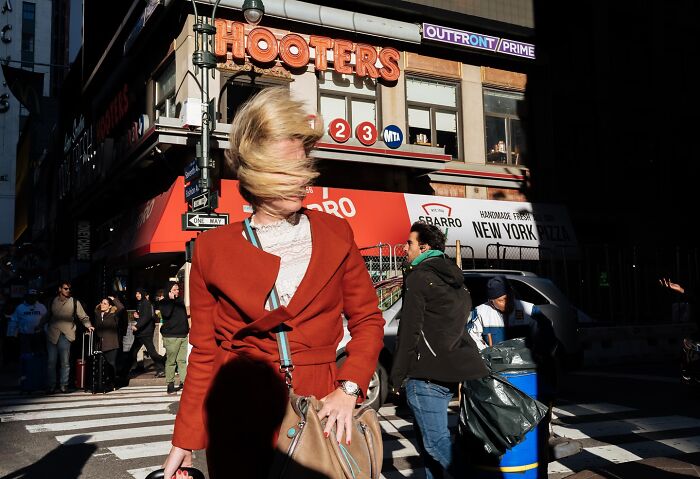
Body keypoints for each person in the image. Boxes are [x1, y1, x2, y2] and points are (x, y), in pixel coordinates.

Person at [162, 87, 385, 479]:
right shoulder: (212, 248)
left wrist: (350, 389)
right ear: (257, 177)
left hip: (321, 410)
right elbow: (204, 351)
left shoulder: (335, 232)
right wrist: (185, 438)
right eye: (289, 173)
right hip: (238, 415)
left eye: (305, 168)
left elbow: (367, 320)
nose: (304, 182)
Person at [390, 222, 489, 479]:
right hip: (447, 373)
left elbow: (409, 330)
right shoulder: (455, 279)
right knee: (428, 446)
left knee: (435, 444)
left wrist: (397, 376)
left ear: (424, 247)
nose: (405, 248)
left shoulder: (419, 277)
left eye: (409, 243)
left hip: (425, 374)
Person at [39, 281, 93, 393]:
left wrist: (89, 326)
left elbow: (83, 316)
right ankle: (51, 385)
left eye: (69, 289)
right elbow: (48, 315)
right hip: (52, 333)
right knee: (51, 361)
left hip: (66, 334)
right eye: (65, 288)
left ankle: (64, 385)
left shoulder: (74, 302)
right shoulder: (52, 301)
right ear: (60, 289)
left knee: (65, 362)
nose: (68, 290)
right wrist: (39, 325)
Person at [159, 282, 189, 395]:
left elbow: (183, 317)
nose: (177, 291)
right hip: (171, 336)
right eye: (175, 289)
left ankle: (185, 382)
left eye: (178, 289)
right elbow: (166, 314)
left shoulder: (180, 301)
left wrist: (187, 329)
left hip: (182, 335)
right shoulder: (164, 302)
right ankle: (170, 385)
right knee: (171, 361)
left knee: (182, 361)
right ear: (169, 291)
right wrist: (171, 300)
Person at [129, 288, 165, 377]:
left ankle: (161, 367)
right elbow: (142, 317)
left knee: (151, 351)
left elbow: (146, 317)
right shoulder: (141, 303)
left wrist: (137, 326)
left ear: (142, 294)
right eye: (136, 293)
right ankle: (134, 368)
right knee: (133, 351)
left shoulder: (146, 303)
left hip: (145, 332)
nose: (137, 295)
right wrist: (136, 316)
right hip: (141, 332)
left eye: (138, 293)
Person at [93, 295, 125, 380]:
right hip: (100, 343)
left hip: (111, 343)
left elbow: (121, 307)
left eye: (105, 303)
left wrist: (113, 299)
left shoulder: (113, 314)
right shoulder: (97, 313)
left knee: (111, 363)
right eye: (101, 303)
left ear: (109, 306)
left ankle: (112, 382)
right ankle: (102, 381)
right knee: (101, 364)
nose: (102, 305)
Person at [9, 289, 47, 355]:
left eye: (34, 296)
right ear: (26, 297)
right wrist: (11, 334)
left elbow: (46, 320)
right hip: (25, 336)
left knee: (38, 354)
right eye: (30, 296)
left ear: (36, 297)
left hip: (38, 335)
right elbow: (14, 321)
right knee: (26, 354)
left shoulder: (41, 307)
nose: (32, 298)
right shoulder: (20, 307)